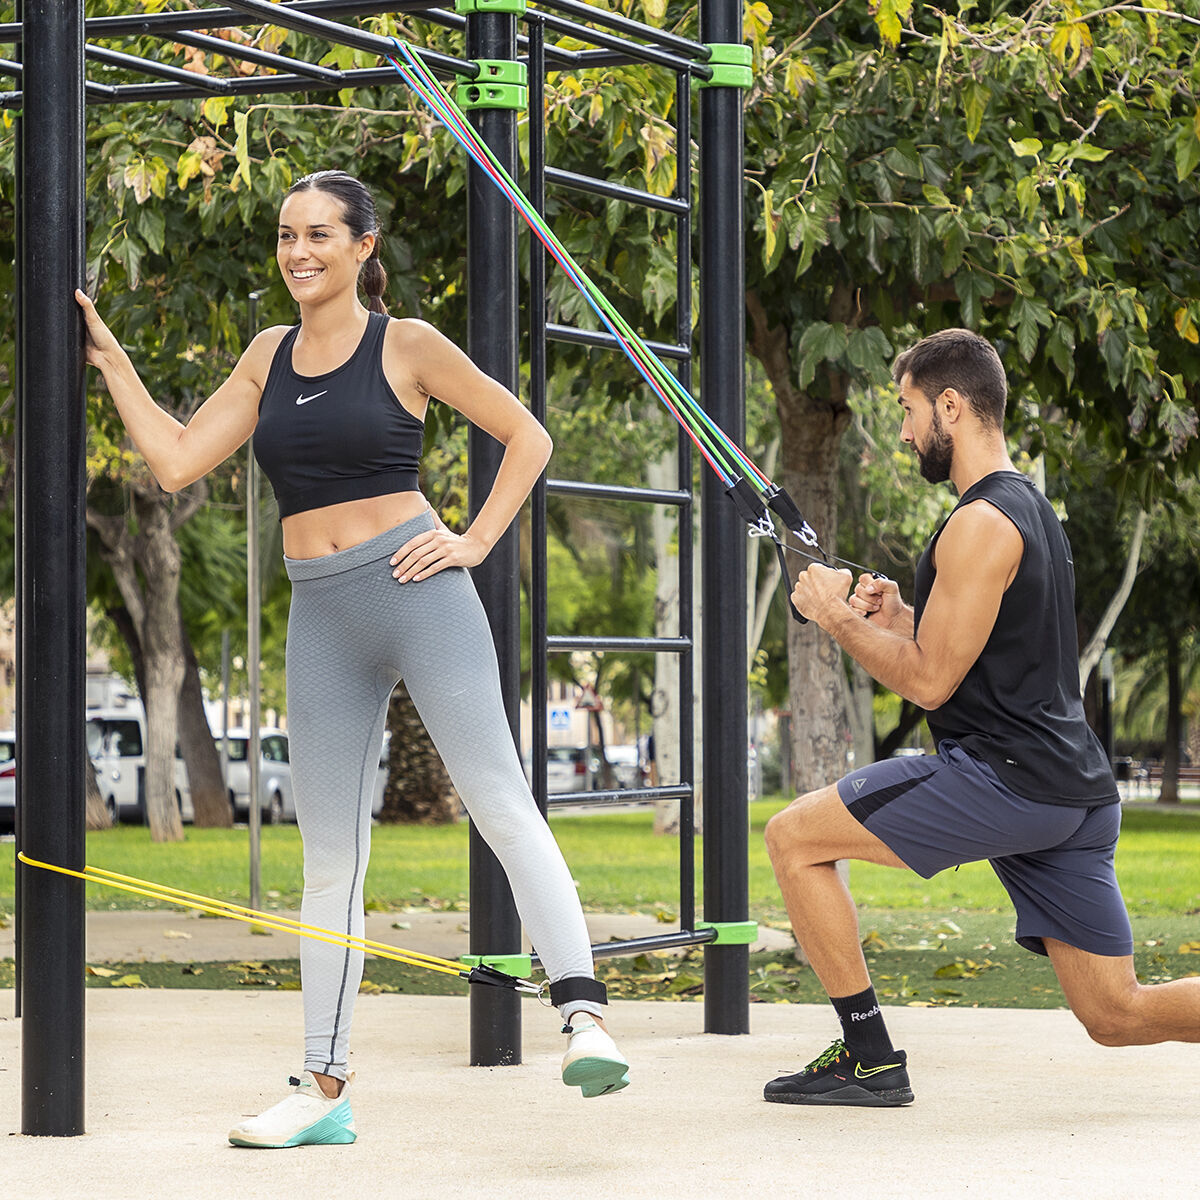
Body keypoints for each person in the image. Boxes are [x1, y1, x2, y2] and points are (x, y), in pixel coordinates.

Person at [75, 169, 629, 1148]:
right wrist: (112, 359)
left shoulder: (405, 343)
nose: (298, 252)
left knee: (500, 804)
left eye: (319, 234)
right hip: (321, 612)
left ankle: (584, 1019)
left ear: (363, 246)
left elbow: (526, 436)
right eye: (287, 235)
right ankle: (323, 1089)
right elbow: (175, 460)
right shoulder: (266, 354)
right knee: (328, 858)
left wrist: (474, 541)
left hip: (419, 590)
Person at [762, 328, 1200, 1108]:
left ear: (950, 406)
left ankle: (869, 1060)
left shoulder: (977, 523)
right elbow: (982, 654)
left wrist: (835, 618)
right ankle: (868, 1060)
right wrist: (900, 618)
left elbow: (931, 684)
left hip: (1007, 783)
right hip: (1073, 792)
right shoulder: (1029, 509)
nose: (903, 432)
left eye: (908, 410)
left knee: (793, 838)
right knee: (1116, 1012)